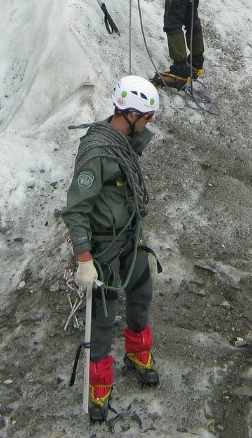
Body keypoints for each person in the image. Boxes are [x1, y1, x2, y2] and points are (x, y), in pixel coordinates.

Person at [63, 76, 162, 423]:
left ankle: (138, 354)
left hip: (129, 239)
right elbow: (76, 209)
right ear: (132, 114)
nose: (148, 125)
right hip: (103, 247)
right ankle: (99, 386)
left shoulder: (121, 141)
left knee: (141, 292)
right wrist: (84, 259)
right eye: (146, 118)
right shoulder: (97, 153)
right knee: (102, 319)